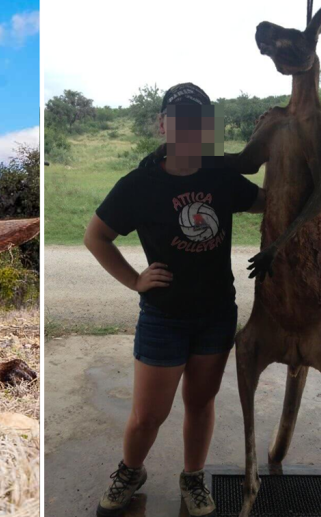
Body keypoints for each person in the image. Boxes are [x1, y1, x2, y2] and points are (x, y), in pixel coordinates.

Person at [84, 83, 266, 517]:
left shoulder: (219, 176)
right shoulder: (139, 185)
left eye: (197, 122)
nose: (188, 129)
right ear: (163, 124)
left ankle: (193, 478)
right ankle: (131, 471)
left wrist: (281, 152)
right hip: (163, 317)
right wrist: (134, 280)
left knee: (200, 404)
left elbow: (266, 201)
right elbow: (96, 237)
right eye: (179, 120)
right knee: (148, 416)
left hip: (217, 313)